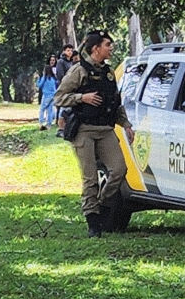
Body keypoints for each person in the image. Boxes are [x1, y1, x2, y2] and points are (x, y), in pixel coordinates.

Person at [53, 30, 134, 238]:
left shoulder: (108, 73)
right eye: (107, 44)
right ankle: (93, 222)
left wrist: (125, 124)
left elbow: (115, 103)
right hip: (84, 130)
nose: (111, 48)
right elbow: (59, 98)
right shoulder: (79, 70)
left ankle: (101, 205)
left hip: (105, 129)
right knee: (90, 178)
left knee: (119, 170)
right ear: (96, 48)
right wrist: (82, 97)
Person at [36, 56, 59, 130]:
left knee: (42, 109)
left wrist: (38, 79)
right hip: (53, 95)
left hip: (46, 95)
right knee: (50, 110)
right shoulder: (53, 78)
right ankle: (49, 124)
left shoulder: (44, 78)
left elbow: (39, 85)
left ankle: (41, 122)